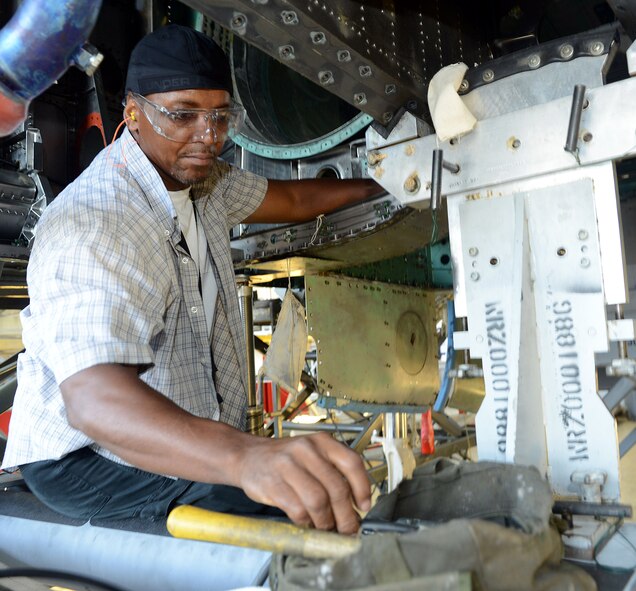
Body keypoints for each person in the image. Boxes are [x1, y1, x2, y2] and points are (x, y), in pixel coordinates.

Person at [1, 24, 379, 535]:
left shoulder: (204, 181)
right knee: (267, 519)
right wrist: (246, 458)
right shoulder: (99, 221)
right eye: (183, 115)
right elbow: (94, 400)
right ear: (133, 113)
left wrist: (386, 181)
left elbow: (292, 201)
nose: (208, 137)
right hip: (83, 459)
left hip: (153, 435)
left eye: (220, 117)